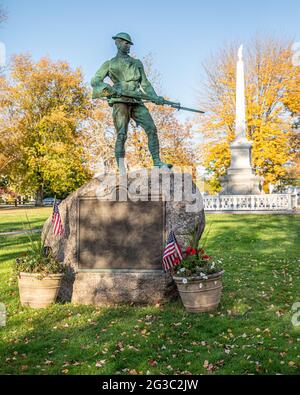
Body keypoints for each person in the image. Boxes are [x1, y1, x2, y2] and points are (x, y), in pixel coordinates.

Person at [91, 32, 172, 170]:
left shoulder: (137, 63)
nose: (128, 45)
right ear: (117, 43)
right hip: (120, 100)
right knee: (121, 134)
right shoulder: (109, 64)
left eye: (129, 43)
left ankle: (157, 161)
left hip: (136, 100)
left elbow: (145, 84)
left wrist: (155, 97)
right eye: (125, 42)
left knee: (151, 129)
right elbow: (95, 81)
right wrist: (109, 89)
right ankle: (121, 167)